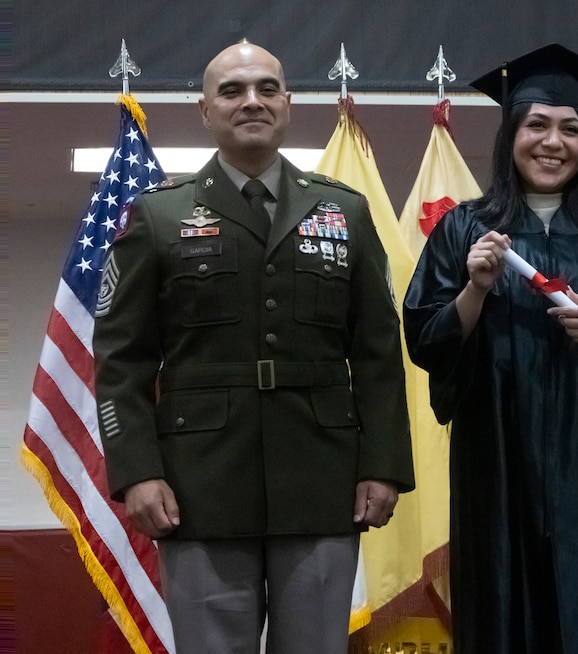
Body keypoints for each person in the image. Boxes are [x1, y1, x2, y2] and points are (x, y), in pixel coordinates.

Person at [93, 42, 415, 653]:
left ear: (288, 104)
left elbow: (377, 352)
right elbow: (122, 362)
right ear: (205, 111)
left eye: (267, 88)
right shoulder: (159, 217)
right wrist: (137, 472)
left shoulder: (342, 211)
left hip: (321, 480)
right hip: (199, 488)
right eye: (233, 91)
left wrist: (382, 463)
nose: (252, 101)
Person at [403, 43, 578, 654]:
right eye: (536, 125)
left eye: (570, 128)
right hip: (498, 463)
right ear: (510, 135)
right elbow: (426, 337)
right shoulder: (465, 229)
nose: (552, 142)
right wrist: (474, 290)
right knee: (504, 609)